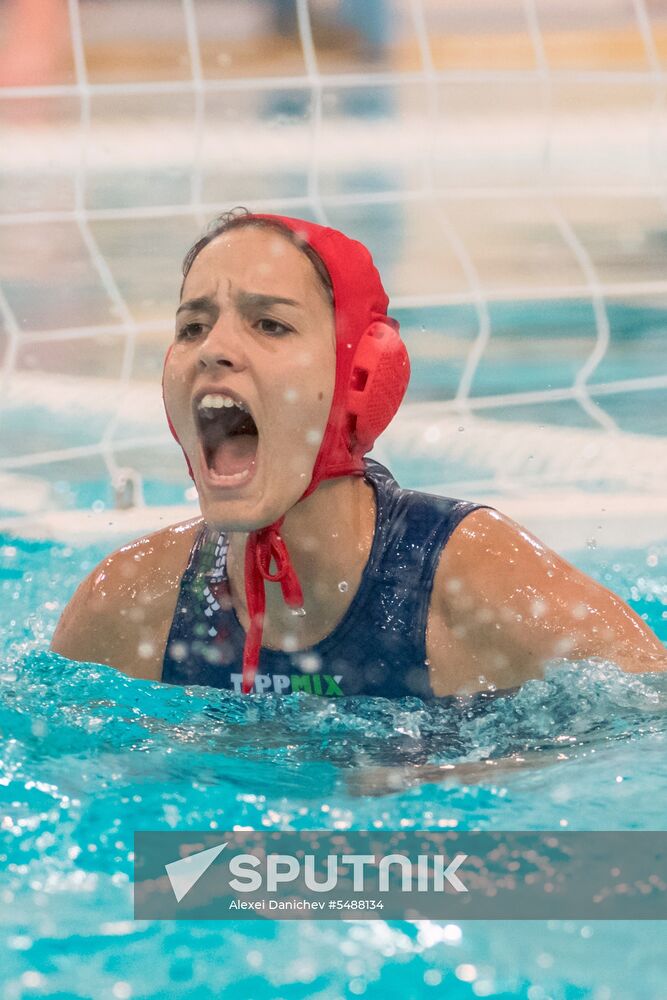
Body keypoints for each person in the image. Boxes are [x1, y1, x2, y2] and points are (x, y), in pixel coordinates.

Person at [51, 209, 667, 701]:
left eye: (270, 324)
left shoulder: (477, 583)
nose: (214, 349)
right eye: (192, 327)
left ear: (362, 378)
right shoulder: (130, 605)